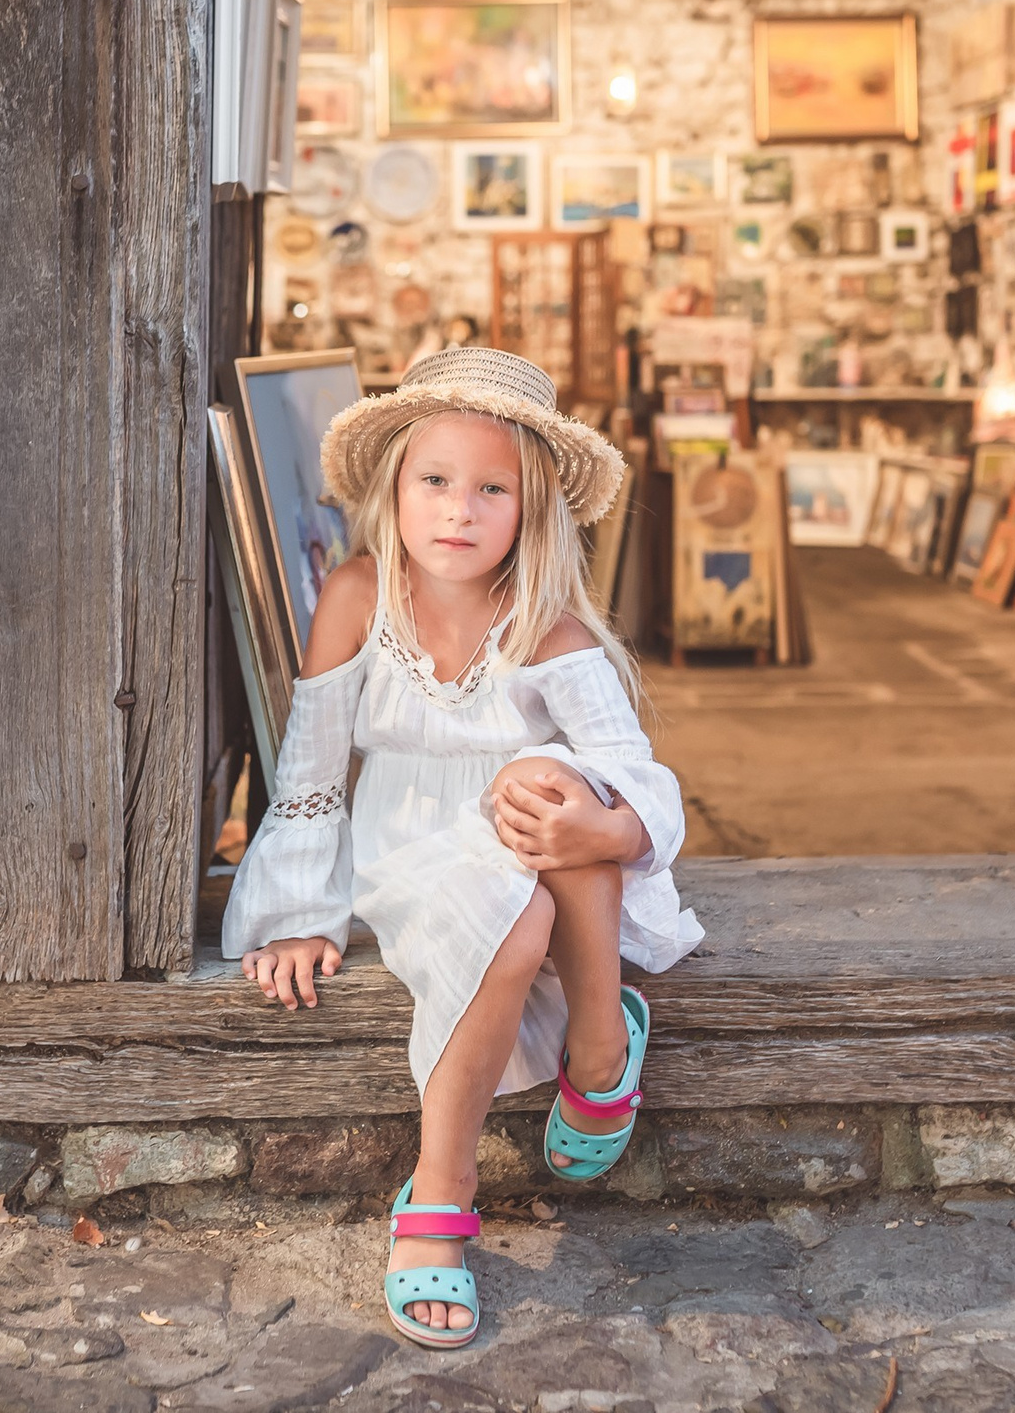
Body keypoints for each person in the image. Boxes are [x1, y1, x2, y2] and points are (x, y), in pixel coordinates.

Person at [223, 347, 700, 1351]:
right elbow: (309, 771)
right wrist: (301, 913)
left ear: (531, 511)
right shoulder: (356, 595)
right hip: (405, 844)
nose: (459, 510)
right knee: (515, 903)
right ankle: (449, 1178)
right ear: (394, 485)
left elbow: (644, 782)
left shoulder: (547, 626)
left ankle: (599, 1048)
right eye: (435, 480)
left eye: (492, 489)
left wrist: (598, 826)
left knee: (552, 779)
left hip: (535, 845)